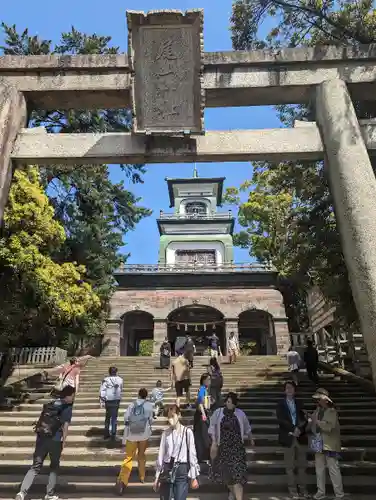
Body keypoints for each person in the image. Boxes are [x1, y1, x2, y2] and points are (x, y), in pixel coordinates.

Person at [15, 385, 76, 500]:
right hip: (55, 439)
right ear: (67, 396)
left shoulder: (51, 403)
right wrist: (64, 441)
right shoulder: (67, 407)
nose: (73, 398)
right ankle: (49, 494)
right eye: (72, 396)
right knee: (54, 467)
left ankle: (22, 493)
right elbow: (65, 425)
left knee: (35, 467)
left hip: (42, 437)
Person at [209, 392, 254, 500]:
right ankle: (232, 493)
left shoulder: (240, 413)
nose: (229, 404)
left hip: (237, 448)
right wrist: (214, 442)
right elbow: (212, 427)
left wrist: (251, 438)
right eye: (228, 402)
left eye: (232, 403)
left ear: (235, 405)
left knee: (238, 477)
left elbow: (247, 427)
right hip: (224, 448)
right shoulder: (218, 413)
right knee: (227, 477)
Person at [154, 404, 200, 500]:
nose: (171, 420)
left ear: (178, 415)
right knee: (166, 497)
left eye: (172, 416)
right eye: (168, 417)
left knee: (180, 497)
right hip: (167, 468)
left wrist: (194, 476)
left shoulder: (187, 432)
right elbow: (161, 455)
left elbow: (192, 454)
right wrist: (157, 476)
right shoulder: (165, 433)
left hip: (181, 468)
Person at [308, 388, 344, 500]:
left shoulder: (332, 412)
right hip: (318, 443)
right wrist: (311, 421)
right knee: (319, 469)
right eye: (317, 399)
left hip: (330, 445)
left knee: (333, 469)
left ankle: (339, 494)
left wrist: (316, 421)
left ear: (326, 400)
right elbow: (313, 426)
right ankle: (320, 492)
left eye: (320, 399)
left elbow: (329, 427)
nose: (318, 401)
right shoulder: (317, 411)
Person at [276, 380, 309, 499]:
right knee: (289, 467)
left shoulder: (300, 403)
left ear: (295, 390)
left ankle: (303, 489)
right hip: (288, 436)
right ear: (284, 390)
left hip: (300, 437)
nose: (289, 390)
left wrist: (300, 429)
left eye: (291, 388)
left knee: (302, 466)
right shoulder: (280, 404)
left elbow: (305, 418)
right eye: (287, 388)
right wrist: (293, 428)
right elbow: (281, 420)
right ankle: (293, 490)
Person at [117, 388, 154, 493]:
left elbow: (126, 419)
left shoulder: (132, 405)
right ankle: (142, 477)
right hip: (144, 436)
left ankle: (123, 481)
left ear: (138, 395)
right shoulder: (149, 405)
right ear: (146, 396)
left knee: (128, 458)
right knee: (141, 455)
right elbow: (151, 420)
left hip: (131, 435)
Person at [99, 366, 123, 440]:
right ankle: (113, 433)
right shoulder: (120, 380)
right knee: (114, 417)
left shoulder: (105, 380)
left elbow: (102, 390)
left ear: (109, 372)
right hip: (116, 399)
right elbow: (121, 388)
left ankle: (106, 433)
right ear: (116, 372)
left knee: (108, 417)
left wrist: (102, 400)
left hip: (108, 399)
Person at [193, 373, 211, 463]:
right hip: (201, 415)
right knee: (202, 436)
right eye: (208, 379)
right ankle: (202, 456)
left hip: (203, 413)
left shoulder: (204, 389)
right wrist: (204, 414)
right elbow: (200, 402)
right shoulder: (202, 389)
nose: (209, 381)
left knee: (203, 436)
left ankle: (202, 456)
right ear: (203, 380)